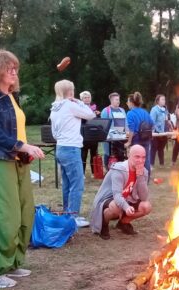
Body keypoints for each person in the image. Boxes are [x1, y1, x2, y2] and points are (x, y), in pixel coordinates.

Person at [0, 50, 45, 289]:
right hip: (1, 161)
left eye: (16, 68)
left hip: (19, 162)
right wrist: (23, 146)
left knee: (25, 213)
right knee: (5, 216)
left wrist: (27, 151)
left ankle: (12, 263)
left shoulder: (11, 97)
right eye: (9, 68)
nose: (14, 72)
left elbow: (17, 129)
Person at [50, 80, 96, 228]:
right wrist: (79, 102)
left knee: (67, 183)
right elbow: (90, 114)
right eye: (73, 90)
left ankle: (67, 213)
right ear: (70, 92)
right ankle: (73, 216)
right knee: (77, 183)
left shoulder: (55, 107)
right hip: (71, 148)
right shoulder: (70, 105)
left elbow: (54, 133)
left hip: (61, 147)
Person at [89, 145, 153, 240]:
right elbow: (117, 195)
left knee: (146, 206)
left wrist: (140, 177)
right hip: (109, 200)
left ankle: (123, 223)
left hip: (127, 199)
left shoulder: (144, 171)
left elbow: (144, 198)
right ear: (128, 155)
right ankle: (104, 224)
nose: (141, 160)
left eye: (143, 157)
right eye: (137, 157)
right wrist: (126, 207)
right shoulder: (119, 169)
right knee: (116, 206)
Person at [126, 91, 154, 177]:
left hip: (136, 139)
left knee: (136, 159)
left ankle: (137, 178)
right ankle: (146, 178)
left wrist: (129, 142)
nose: (127, 103)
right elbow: (152, 124)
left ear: (131, 102)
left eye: (128, 101)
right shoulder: (145, 112)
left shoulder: (130, 113)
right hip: (146, 138)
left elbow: (132, 130)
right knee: (146, 159)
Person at [101, 92, 127, 168]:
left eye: (119, 99)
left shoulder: (122, 110)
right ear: (111, 101)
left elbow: (126, 122)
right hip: (110, 138)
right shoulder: (106, 111)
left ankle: (121, 168)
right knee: (108, 153)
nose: (118, 101)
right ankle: (107, 169)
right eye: (116, 100)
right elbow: (103, 124)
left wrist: (127, 131)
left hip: (121, 136)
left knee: (121, 153)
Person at [80, 90, 100, 177]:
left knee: (94, 154)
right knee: (83, 155)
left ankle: (94, 172)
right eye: (85, 97)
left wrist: (97, 114)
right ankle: (82, 173)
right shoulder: (79, 107)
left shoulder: (94, 107)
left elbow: (98, 121)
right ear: (81, 99)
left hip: (93, 133)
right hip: (83, 133)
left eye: (88, 97)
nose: (87, 99)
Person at [150, 94, 170, 167]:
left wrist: (169, 127)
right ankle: (151, 165)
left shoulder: (165, 110)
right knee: (153, 148)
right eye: (162, 99)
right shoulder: (154, 109)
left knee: (161, 148)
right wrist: (152, 132)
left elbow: (167, 120)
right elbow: (152, 121)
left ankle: (162, 164)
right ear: (158, 101)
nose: (164, 101)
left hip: (164, 132)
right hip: (156, 132)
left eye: (164, 99)